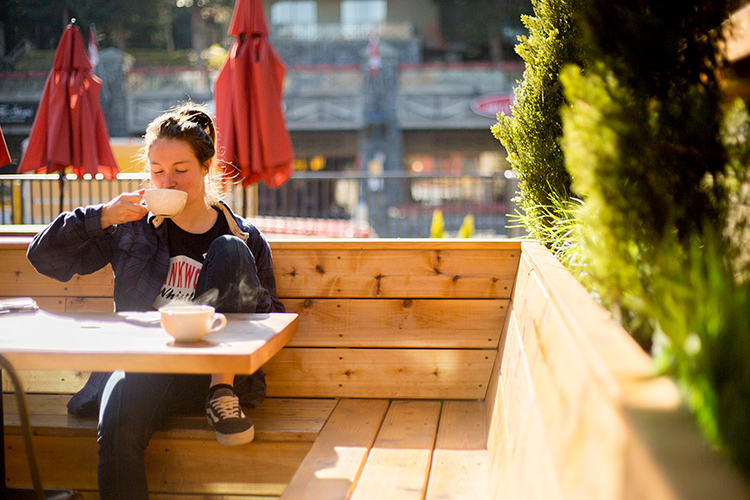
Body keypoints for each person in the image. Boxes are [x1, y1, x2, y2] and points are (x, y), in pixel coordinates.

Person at [26, 103, 284, 499]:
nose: (168, 182)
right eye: (157, 171)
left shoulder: (245, 238)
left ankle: (221, 393)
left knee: (229, 250)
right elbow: (43, 258)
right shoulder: (131, 230)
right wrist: (103, 216)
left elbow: (273, 320)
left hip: (212, 372)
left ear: (207, 167)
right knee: (114, 430)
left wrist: (241, 284)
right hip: (147, 364)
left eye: (181, 170)